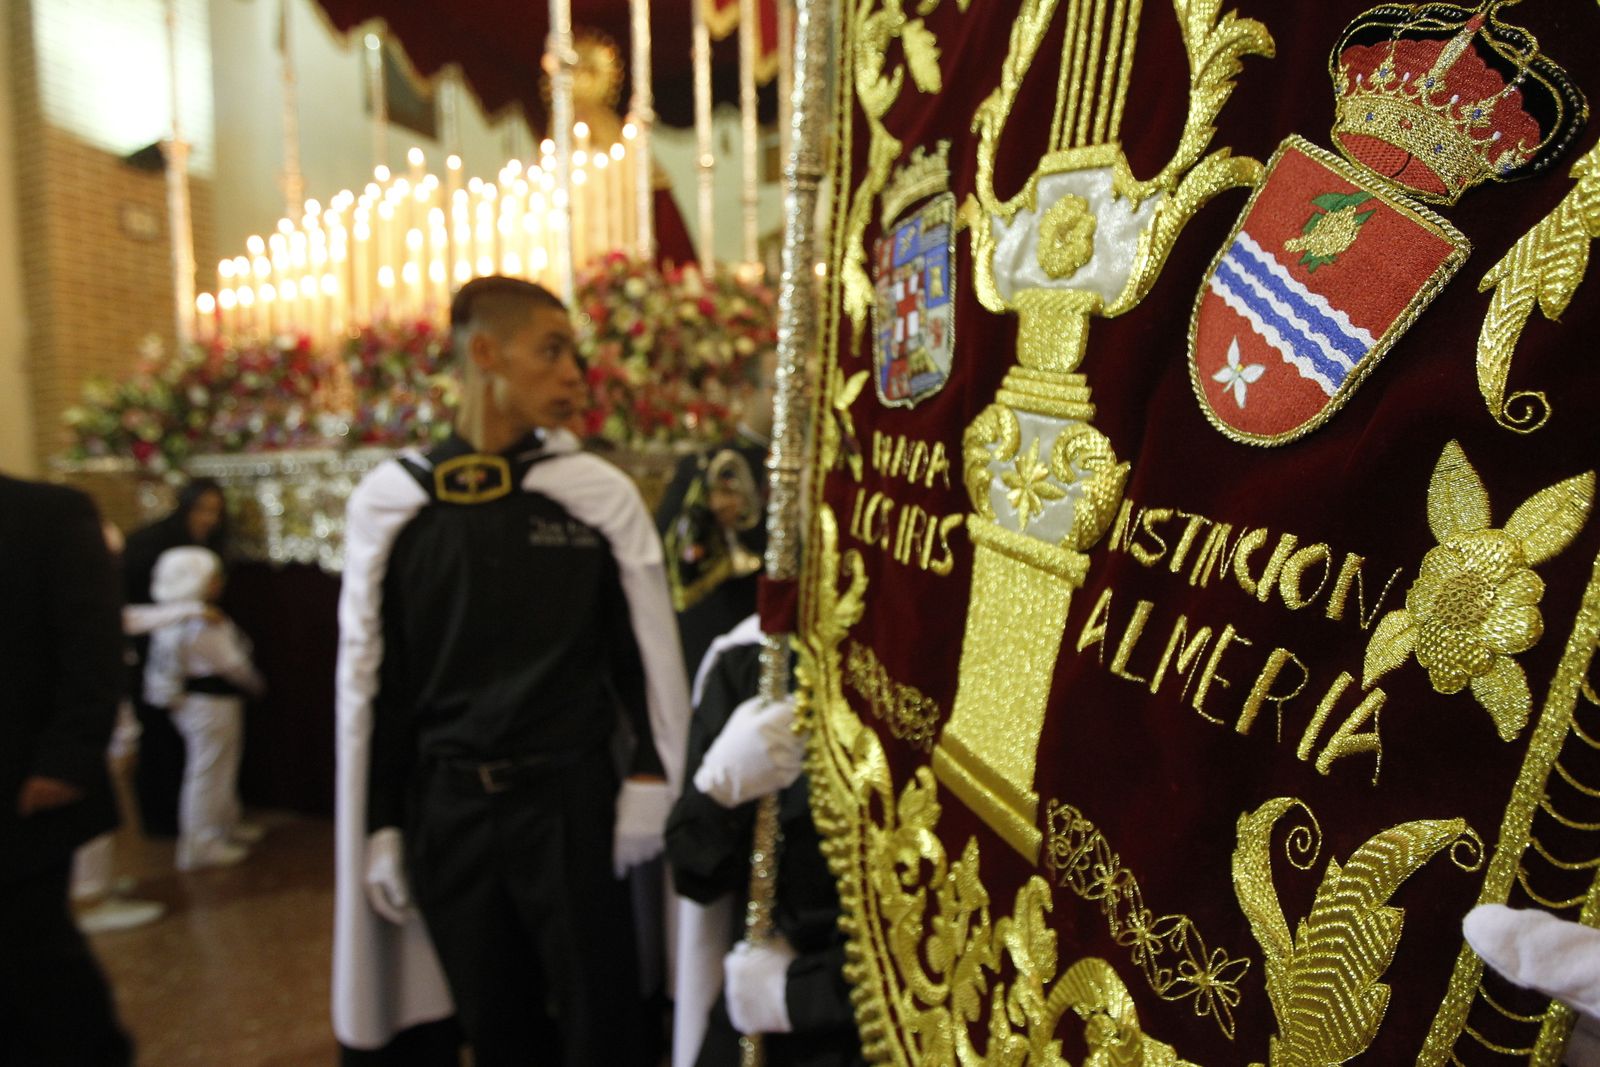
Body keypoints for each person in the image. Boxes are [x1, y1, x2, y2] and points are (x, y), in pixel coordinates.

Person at [332, 276, 692, 1065]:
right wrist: (384, 821)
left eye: (576, 354)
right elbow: (375, 683)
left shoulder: (591, 496)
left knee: (604, 1020)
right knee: (495, 1025)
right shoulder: (400, 504)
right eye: (553, 350)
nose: (575, 375)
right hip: (449, 807)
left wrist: (647, 774)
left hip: (568, 805)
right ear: (486, 353)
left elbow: (641, 651)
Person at [666, 615, 864, 1067]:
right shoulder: (753, 655)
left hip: (877, 1021)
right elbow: (695, 875)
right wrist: (718, 791)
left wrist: (801, 994)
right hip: (759, 1001)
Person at [0, 473, 133, 1065]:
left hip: (21, 784)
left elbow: (94, 648)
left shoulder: (47, 515)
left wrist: (68, 760)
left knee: (35, 962)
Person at [144, 546, 265, 871]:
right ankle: (201, 843)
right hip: (210, 705)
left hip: (197, 704)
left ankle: (224, 824)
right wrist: (256, 684)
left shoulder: (172, 615)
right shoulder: (199, 621)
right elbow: (233, 664)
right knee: (208, 772)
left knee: (219, 767)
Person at [655, 351, 776, 677]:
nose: (796, 400)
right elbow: (670, 550)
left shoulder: (818, 465)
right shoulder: (705, 464)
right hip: (726, 627)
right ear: (748, 392)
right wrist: (708, 520)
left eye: (803, 389)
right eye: (778, 387)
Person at [120, 477, 228, 837]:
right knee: (159, 741)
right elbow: (129, 611)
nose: (209, 518)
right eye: (202, 509)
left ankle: (196, 823)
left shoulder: (206, 543)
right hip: (157, 657)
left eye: (215, 511)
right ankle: (163, 820)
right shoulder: (149, 545)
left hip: (188, 660)